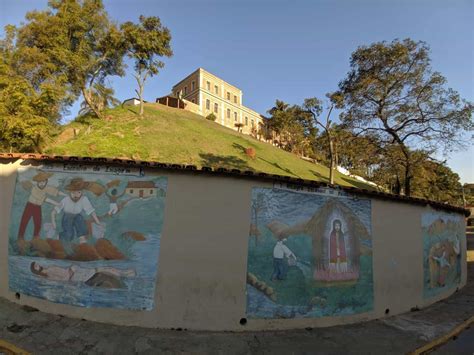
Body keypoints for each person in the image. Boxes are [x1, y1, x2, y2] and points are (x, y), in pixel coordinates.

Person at [17, 171, 65, 240]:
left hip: (37, 207)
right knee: (24, 222)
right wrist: (57, 203)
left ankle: (35, 239)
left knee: (38, 223)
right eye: (40, 182)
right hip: (30, 206)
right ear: (37, 182)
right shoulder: (34, 189)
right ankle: (20, 238)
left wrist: (66, 195)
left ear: (46, 181)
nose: (42, 184)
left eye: (44, 182)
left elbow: (56, 191)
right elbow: (45, 199)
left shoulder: (46, 188)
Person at [51, 178, 101, 242]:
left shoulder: (84, 199)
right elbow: (53, 212)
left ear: (82, 192)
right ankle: (59, 238)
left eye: (79, 192)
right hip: (67, 217)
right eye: (73, 192)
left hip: (78, 216)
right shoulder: (66, 199)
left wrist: (97, 221)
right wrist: (53, 222)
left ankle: (83, 244)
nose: (76, 195)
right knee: (69, 234)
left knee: (82, 231)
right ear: (70, 192)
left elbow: (91, 211)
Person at [30, 261, 135, 286]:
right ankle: (123, 274)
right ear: (36, 270)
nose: (38, 264)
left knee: (101, 268)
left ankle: (123, 273)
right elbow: (64, 279)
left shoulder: (49, 269)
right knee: (99, 269)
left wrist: (72, 268)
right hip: (76, 275)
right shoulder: (48, 274)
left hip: (76, 272)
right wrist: (71, 270)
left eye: (36, 264)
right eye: (36, 266)